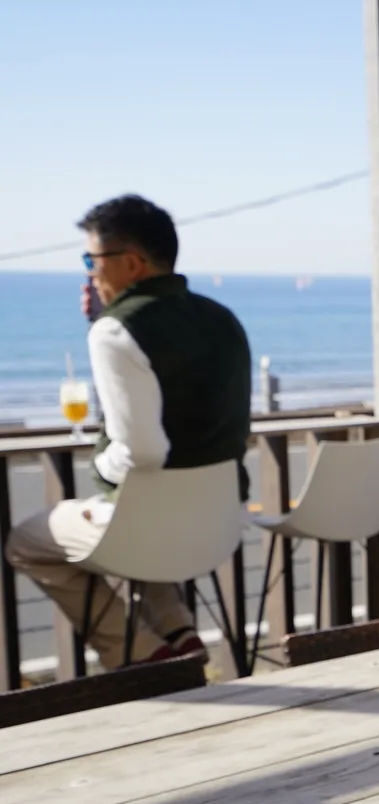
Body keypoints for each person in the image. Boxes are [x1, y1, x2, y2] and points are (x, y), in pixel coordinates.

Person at [6, 195, 252, 668]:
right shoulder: (223, 317)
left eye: (91, 260)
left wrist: (100, 463)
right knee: (134, 519)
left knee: (26, 541)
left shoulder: (115, 330)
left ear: (132, 262)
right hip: (220, 526)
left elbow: (144, 453)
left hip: (146, 531)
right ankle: (181, 636)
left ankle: (141, 657)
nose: (88, 273)